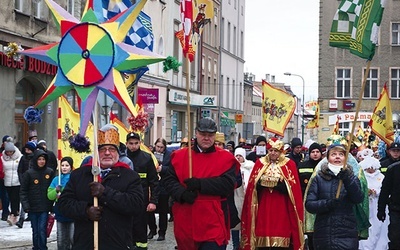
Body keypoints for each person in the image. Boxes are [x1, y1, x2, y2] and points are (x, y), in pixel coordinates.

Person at [58, 124, 144, 249]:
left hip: (117, 243)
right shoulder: (80, 174)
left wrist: (105, 193)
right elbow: (64, 204)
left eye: (112, 149)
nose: (107, 153)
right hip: (85, 244)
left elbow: (136, 205)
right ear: (96, 152)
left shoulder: (130, 176)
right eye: (103, 149)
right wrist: (85, 211)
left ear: (118, 152)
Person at [164, 117, 239, 249]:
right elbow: (168, 181)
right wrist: (181, 193)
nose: (206, 138)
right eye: (203, 134)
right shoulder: (179, 156)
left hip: (212, 219)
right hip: (186, 217)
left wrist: (200, 184)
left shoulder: (226, 158)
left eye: (210, 135)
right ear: (196, 133)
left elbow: (228, 184)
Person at [241, 137, 304, 250]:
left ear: (280, 152)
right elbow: (252, 186)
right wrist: (259, 185)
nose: (273, 153)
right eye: (271, 150)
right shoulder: (260, 163)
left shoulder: (289, 164)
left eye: (276, 151)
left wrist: (282, 187)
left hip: (282, 207)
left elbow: (294, 189)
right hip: (263, 206)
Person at [305, 144, 364, 250]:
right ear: (327, 158)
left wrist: (347, 180)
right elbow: (310, 205)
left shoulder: (352, 177)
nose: (337, 157)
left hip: (346, 232)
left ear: (345, 158)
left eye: (341, 154)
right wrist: (327, 204)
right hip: (324, 232)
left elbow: (358, 198)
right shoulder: (319, 178)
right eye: (333, 154)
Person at [125, 132, 159, 249]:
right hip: (125, 200)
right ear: (126, 144)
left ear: (140, 143)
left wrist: (153, 201)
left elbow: (154, 181)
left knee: (140, 230)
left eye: (136, 143)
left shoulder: (146, 158)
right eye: (131, 143)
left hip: (142, 201)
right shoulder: (123, 158)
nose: (133, 146)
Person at [20, 149, 55, 250]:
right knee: (35, 230)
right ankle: (36, 247)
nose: (41, 161)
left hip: (44, 207)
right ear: (35, 160)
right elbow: (23, 191)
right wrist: (25, 205)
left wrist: (51, 205)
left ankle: (43, 247)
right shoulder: (29, 174)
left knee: (42, 229)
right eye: (39, 159)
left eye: (43, 159)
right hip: (32, 207)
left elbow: (52, 189)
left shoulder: (50, 172)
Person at [359, 156, 389, 250]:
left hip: (378, 204)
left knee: (380, 226)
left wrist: (376, 192)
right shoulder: (361, 177)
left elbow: (386, 190)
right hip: (366, 204)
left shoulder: (381, 177)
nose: (371, 170)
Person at [297, 142, 323, 250]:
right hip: (306, 200)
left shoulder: (324, 166)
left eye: (317, 152)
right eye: (313, 152)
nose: (315, 154)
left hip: (321, 201)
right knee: (309, 230)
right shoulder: (302, 166)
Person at [47, 157, 75, 250]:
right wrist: (56, 190)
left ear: (71, 167)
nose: (64, 168)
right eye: (62, 165)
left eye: (67, 165)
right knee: (61, 238)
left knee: (72, 237)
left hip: (72, 211)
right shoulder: (56, 179)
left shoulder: (74, 178)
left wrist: (63, 192)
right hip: (60, 211)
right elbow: (50, 196)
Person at [148, 138, 171, 241]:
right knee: (150, 210)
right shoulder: (150, 155)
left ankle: (162, 232)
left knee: (163, 211)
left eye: (161, 147)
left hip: (163, 187)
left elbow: (172, 169)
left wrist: (163, 169)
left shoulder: (169, 155)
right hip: (152, 186)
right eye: (158, 147)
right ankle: (152, 230)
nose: (159, 149)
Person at [377, 142, 400, 250]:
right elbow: (385, 190)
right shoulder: (393, 168)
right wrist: (380, 210)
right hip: (396, 208)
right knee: (395, 236)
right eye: (393, 151)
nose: (396, 153)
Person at [232, 147, 254, 250]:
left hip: (247, 198)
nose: (238, 158)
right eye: (236, 156)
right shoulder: (232, 167)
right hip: (236, 198)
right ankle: (235, 245)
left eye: (240, 156)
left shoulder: (250, 166)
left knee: (246, 221)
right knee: (235, 223)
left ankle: (245, 243)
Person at [1, 137, 22, 226]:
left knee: (15, 198)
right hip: (7, 181)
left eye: (11, 152)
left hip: (17, 181)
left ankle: (14, 215)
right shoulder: (2, 158)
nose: (9, 153)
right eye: (7, 152)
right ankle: (13, 213)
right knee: (8, 198)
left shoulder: (19, 157)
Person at [15, 141, 37, 228]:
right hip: (24, 182)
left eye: (28, 149)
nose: (26, 151)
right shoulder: (23, 158)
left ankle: (31, 216)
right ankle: (21, 218)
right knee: (24, 200)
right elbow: (20, 170)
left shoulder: (35, 158)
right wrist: (21, 179)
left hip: (34, 182)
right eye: (26, 149)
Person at [0, 135, 10, 221]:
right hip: (1, 176)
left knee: (5, 196)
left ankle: (5, 212)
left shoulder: (12, 151)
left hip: (6, 177)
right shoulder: (1, 152)